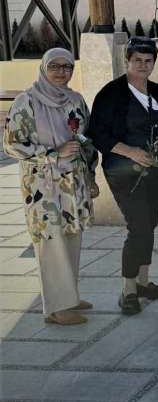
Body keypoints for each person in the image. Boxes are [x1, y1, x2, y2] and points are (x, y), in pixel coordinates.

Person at [3, 48, 96, 325]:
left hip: (73, 183)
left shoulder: (75, 100)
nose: (61, 72)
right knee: (50, 242)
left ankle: (69, 296)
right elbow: (12, 145)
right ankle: (56, 308)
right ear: (44, 68)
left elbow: (86, 140)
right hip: (43, 187)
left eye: (67, 67)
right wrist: (53, 153)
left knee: (71, 237)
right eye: (55, 66)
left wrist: (90, 176)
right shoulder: (27, 101)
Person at [87, 37, 158, 315]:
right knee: (138, 226)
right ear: (127, 60)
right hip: (123, 171)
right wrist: (131, 152)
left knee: (149, 224)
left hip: (154, 171)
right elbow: (97, 133)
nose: (143, 65)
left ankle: (143, 282)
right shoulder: (111, 93)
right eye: (137, 60)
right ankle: (128, 289)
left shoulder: (157, 91)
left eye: (148, 60)